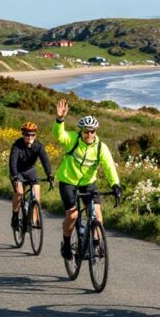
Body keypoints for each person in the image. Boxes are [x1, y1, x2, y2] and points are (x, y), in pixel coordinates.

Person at [53, 99, 122, 260]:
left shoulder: (100, 147)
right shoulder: (72, 139)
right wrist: (60, 120)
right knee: (72, 215)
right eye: (86, 131)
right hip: (68, 181)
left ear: (95, 132)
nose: (89, 135)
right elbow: (59, 135)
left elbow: (109, 167)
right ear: (81, 131)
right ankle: (66, 242)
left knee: (97, 215)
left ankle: (96, 244)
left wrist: (115, 184)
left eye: (92, 131)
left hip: (88, 184)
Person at [9, 121, 54, 231]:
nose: (30, 137)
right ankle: (15, 216)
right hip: (17, 172)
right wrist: (14, 176)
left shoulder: (38, 146)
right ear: (23, 134)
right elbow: (12, 162)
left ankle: (32, 220)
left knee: (36, 195)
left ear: (35, 135)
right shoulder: (17, 145)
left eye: (32, 134)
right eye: (27, 134)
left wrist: (49, 174)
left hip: (30, 171)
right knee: (19, 192)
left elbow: (45, 160)